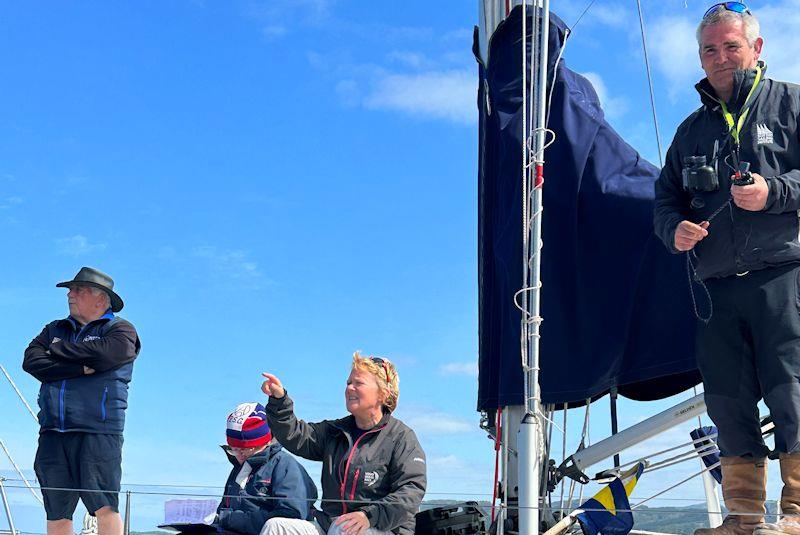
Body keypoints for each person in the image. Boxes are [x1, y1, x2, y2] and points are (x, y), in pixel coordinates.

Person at [653, 4, 800, 534]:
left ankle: (796, 514)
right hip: (715, 287)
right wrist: (673, 230)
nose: (720, 58)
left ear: (756, 49)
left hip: (785, 276)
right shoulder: (690, 130)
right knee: (728, 400)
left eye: (731, 46)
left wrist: (774, 193)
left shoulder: (792, 104)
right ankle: (741, 518)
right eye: (710, 50)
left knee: (793, 390)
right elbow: (665, 199)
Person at [22, 267, 141, 535]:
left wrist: (55, 349)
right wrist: (80, 367)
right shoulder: (55, 328)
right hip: (52, 430)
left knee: (104, 507)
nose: (70, 294)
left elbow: (111, 354)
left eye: (79, 289)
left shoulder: (120, 330)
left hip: (98, 429)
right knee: (56, 509)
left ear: (102, 298)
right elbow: (31, 361)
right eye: (70, 290)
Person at [262, 352, 426, 535]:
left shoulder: (402, 438)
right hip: (332, 525)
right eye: (349, 382)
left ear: (383, 394)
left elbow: (411, 492)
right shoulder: (336, 431)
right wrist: (279, 401)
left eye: (358, 383)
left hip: (382, 529)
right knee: (275, 527)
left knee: (343, 529)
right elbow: (296, 435)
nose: (349, 388)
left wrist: (368, 516)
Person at [216, 402, 319, 535]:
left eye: (244, 449)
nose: (238, 454)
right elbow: (223, 510)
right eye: (233, 449)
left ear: (261, 442)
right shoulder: (239, 469)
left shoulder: (284, 465)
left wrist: (231, 520)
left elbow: (290, 516)